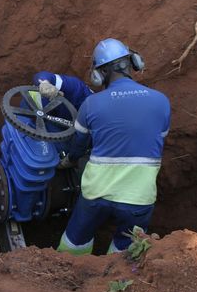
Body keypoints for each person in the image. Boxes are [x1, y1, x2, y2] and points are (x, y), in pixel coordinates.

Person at [57, 38, 170, 255]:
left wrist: (67, 161)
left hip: (96, 195)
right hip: (139, 198)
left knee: (75, 242)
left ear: (100, 73)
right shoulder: (161, 101)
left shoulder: (91, 104)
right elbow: (157, 140)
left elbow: (78, 147)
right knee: (124, 253)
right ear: (133, 63)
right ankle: (112, 284)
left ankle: (65, 274)